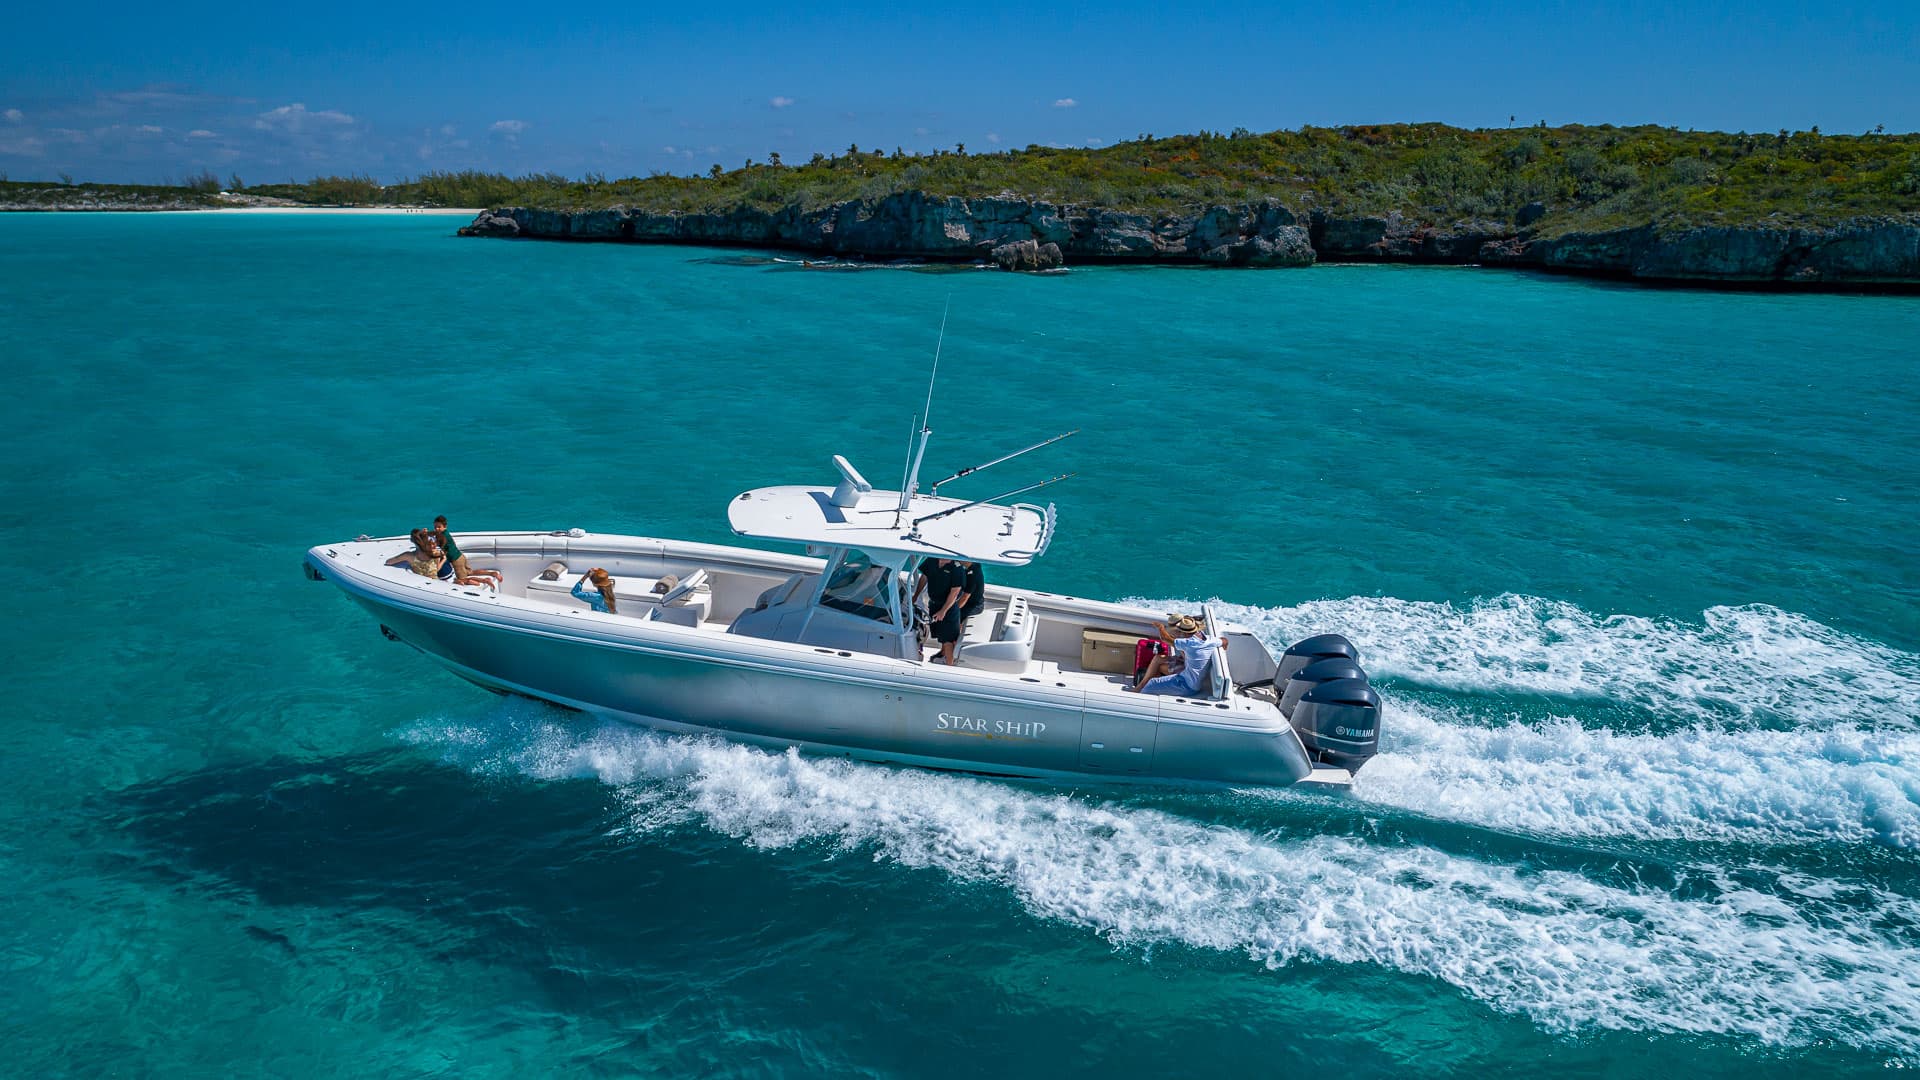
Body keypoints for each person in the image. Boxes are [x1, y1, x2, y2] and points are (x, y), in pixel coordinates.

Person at [1131, 614, 1225, 695]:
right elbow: (1225, 641)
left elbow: (1165, 638)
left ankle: (1139, 695)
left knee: (1150, 685)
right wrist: (1224, 649)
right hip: (1190, 677)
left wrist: (1160, 627)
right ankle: (1143, 687)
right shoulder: (1209, 639)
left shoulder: (1189, 643)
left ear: (1184, 632)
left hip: (1187, 685)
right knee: (1158, 661)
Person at [917, 557, 968, 665]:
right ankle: (943, 657)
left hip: (948, 608)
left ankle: (949, 667)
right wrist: (915, 596)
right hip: (934, 605)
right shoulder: (931, 560)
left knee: (948, 640)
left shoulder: (957, 568)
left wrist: (943, 611)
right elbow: (924, 577)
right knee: (941, 636)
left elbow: (954, 592)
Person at [432, 516, 502, 587]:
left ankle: (485, 580)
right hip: (460, 556)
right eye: (435, 527)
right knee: (470, 572)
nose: (436, 529)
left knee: (462, 579)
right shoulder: (446, 533)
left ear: (445, 526)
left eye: (439, 527)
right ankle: (492, 573)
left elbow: (438, 546)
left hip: (456, 561)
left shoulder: (442, 536)